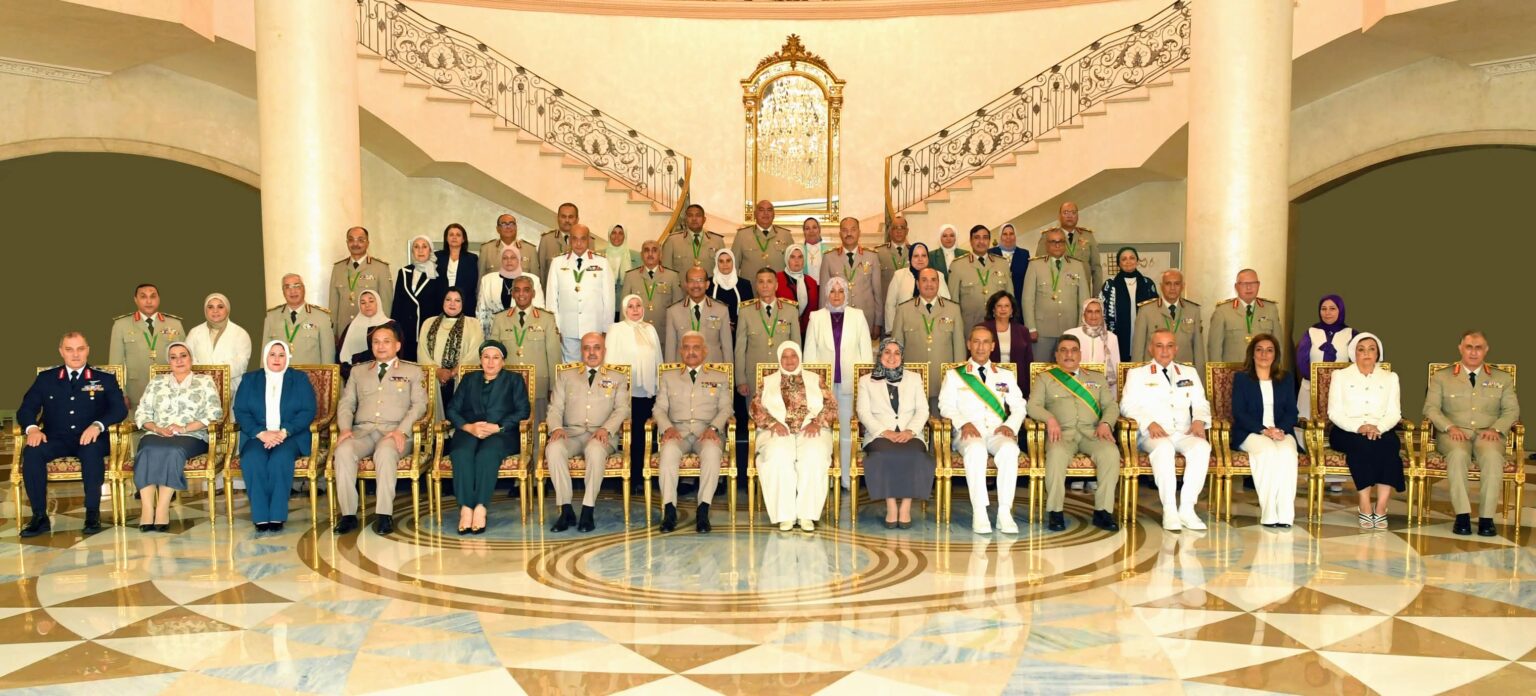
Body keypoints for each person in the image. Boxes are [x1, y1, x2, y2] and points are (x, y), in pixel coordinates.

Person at [16, 332, 127, 537]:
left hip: (91, 438)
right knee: (32, 452)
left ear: (88, 350)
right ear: (61, 351)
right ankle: (39, 516)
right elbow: (26, 408)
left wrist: (98, 425)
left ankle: (92, 514)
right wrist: (32, 428)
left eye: (80, 349)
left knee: (91, 452)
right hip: (55, 438)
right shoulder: (46, 378)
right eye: (69, 349)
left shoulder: (104, 378)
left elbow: (119, 409)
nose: (75, 354)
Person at [332, 323, 428, 536]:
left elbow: (420, 405)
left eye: (386, 341)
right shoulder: (358, 371)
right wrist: (345, 429)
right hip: (363, 432)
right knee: (343, 451)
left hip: (395, 432)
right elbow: (346, 403)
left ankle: (384, 514)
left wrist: (402, 430)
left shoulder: (412, 371)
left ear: (397, 346)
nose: (380, 346)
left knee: (385, 452)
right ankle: (348, 515)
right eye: (376, 342)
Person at [1423, 330, 1520, 537]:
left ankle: (1486, 518)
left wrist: (1496, 428)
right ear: (1460, 348)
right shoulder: (1442, 376)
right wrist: (1449, 427)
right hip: (1453, 433)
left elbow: (1512, 410)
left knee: (1492, 458)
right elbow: (1431, 408)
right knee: (1458, 455)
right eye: (1469, 347)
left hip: (1489, 434)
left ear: (1486, 350)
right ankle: (1462, 516)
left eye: (1478, 348)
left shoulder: (1502, 378)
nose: (1473, 352)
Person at [938, 325, 1028, 535]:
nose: (981, 347)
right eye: (976, 342)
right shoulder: (954, 375)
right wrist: (963, 423)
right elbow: (945, 406)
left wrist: (1009, 425)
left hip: (997, 431)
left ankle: (1004, 512)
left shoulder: (1005, 375)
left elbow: (1019, 407)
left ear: (993, 346)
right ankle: (979, 511)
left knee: (1010, 450)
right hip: (968, 433)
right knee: (976, 450)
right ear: (969, 344)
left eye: (985, 342)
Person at [1120, 328, 1213, 532]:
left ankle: (1187, 509)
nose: (1165, 351)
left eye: (1170, 346)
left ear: (1176, 349)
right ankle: (1170, 510)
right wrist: (1149, 423)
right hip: (1152, 434)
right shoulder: (1137, 374)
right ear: (1150, 349)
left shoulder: (1189, 372)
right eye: (1159, 346)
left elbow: (1201, 403)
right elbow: (1127, 406)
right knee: (1164, 449)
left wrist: (1199, 420)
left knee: (1202, 447)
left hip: (1183, 432)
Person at [1027, 335, 1121, 532]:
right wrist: (1050, 419)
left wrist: (1106, 423)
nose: (1068, 354)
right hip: (1061, 434)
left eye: (1073, 350)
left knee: (1111, 453)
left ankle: (1103, 511)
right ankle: (1055, 512)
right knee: (1056, 455)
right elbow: (1033, 406)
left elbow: (1111, 406)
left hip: (1092, 433)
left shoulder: (1096, 378)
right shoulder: (1045, 378)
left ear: (1080, 354)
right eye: (1063, 350)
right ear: (1056, 355)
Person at [544, 332, 631, 533]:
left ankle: (587, 510)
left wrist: (606, 429)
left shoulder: (617, 376)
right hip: (571, 434)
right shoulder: (566, 375)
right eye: (587, 348)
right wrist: (556, 428)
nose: (592, 352)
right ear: (581, 351)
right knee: (553, 449)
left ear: (604, 351)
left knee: (595, 450)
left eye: (596, 347)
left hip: (601, 436)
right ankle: (566, 510)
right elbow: (554, 408)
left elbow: (622, 409)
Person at [132, 342, 222, 531]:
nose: (179, 360)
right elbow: (142, 413)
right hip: (157, 433)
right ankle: (147, 510)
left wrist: (184, 428)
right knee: (147, 449)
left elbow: (214, 413)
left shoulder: (204, 381)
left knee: (173, 450)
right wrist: (157, 428)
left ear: (191, 358)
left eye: (183, 355)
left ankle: (162, 508)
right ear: (168, 362)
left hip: (192, 435)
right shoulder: (157, 382)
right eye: (173, 357)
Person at [751, 342, 836, 532]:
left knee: (814, 455)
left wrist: (817, 422)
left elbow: (831, 405)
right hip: (777, 430)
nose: (789, 360)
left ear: (799, 357)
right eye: (785, 356)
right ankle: (785, 515)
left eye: (793, 356)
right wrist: (772, 423)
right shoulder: (767, 381)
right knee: (778, 456)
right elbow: (755, 407)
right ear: (779, 359)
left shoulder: (816, 379)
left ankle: (807, 514)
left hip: (811, 427)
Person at [446, 340, 529, 534]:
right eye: (486, 357)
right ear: (480, 360)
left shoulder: (514, 380)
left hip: (501, 433)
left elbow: (523, 410)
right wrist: (468, 427)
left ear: (503, 361)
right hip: (470, 430)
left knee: (487, 454)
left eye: (496, 358)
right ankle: (466, 508)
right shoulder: (469, 379)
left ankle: (480, 507)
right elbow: (452, 409)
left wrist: (498, 427)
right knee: (461, 453)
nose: (491, 362)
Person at [233, 340, 317, 533]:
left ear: (287, 357)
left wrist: (284, 431)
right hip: (257, 435)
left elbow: (308, 410)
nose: (277, 359)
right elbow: (241, 411)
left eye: (281, 355)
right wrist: (261, 433)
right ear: (265, 357)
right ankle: (261, 516)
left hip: (289, 436)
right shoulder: (250, 379)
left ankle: (277, 514)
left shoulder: (299, 379)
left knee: (280, 459)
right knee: (252, 459)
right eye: (272, 354)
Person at [653, 332, 732, 533]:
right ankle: (669, 510)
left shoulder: (719, 376)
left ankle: (703, 510)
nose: (691, 352)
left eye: (696, 347)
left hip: (707, 432)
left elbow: (726, 409)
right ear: (681, 351)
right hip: (677, 432)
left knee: (712, 452)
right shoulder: (669, 377)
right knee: (668, 452)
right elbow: (659, 409)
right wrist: (667, 427)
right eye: (687, 347)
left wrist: (713, 427)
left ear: (705, 351)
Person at [1327, 333, 1403, 530]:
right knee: (1361, 445)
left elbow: (1394, 412)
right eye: (1361, 349)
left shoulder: (1390, 378)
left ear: (1378, 353)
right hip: (1347, 430)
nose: (1366, 353)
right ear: (1354, 353)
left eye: (1371, 349)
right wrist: (1358, 428)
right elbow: (1334, 412)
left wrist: (1379, 428)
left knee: (1390, 445)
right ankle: (1365, 503)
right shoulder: (1340, 376)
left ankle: (1381, 506)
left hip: (1380, 428)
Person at [804, 276, 873, 489]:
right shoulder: (816, 317)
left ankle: (845, 478)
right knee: (823, 431)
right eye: (832, 291)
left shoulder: (858, 316)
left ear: (846, 294)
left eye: (840, 291)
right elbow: (809, 355)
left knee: (846, 433)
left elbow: (866, 354)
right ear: (826, 294)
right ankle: (825, 478)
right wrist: (814, 386)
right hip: (823, 387)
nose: (836, 295)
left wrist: (864, 384)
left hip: (849, 385)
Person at [856, 338, 933, 529]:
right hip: (879, 435)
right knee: (884, 455)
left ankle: (905, 507)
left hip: (910, 433)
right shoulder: (866, 381)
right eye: (887, 352)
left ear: (902, 357)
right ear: (880, 355)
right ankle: (891, 506)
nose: (892, 357)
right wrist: (884, 431)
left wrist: (910, 431)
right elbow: (863, 412)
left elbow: (923, 410)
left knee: (915, 454)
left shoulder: (914, 378)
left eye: (897, 353)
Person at [1230, 334, 1300, 528]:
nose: (1264, 354)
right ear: (1252, 354)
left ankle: (1285, 514)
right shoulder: (1242, 378)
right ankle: (1269, 513)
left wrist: (1279, 430)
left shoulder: (1285, 378)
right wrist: (1264, 430)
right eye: (1259, 350)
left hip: (1280, 431)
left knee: (1287, 453)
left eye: (1269, 350)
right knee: (1268, 451)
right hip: (1251, 432)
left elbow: (1292, 412)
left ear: (1275, 355)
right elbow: (1239, 412)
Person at [487, 277, 562, 436]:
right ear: (512, 293)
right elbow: (492, 354)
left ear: (533, 293)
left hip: (538, 385)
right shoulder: (500, 319)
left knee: (537, 431)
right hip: (507, 386)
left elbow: (554, 356)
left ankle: (536, 453)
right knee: (508, 430)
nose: (521, 294)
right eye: (517, 290)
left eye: (526, 290)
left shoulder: (547, 319)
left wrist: (553, 387)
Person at [607, 294, 662, 479]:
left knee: (642, 433)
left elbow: (658, 360)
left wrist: (658, 385)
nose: (635, 309)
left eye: (638, 305)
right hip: (624, 392)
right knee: (627, 432)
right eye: (630, 306)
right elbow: (609, 362)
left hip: (646, 391)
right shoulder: (616, 329)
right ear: (624, 310)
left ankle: (641, 474)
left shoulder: (650, 329)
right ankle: (626, 476)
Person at [890, 268, 965, 403]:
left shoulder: (953, 309)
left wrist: (959, 380)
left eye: (933, 280)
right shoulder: (904, 310)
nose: (929, 284)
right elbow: (896, 349)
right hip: (913, 382)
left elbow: (959, 348)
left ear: (938, 283)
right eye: (924, 280)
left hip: (943, 382)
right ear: (917, 284)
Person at [545, 224, 614, 362]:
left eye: (583, 239)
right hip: (567, 328)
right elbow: (552, 298)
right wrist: (555, 328)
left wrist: (607, 328)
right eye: (574, 239)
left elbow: (609, 299)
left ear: (588, 240)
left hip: (594, 327)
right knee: (571, 369)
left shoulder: (602, 263)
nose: (578, 243)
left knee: (593, 365)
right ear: (569, 240)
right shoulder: (558, 263)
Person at [109, 283, 186, 406]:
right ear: (135, 299)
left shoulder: (175, 324)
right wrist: (120, 393)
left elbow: (184, 360)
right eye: (143, 296)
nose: (149, 301)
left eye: (153, 296)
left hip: (170, 389)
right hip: (136, 391)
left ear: (159, 299)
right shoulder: (121, 325)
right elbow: (115, 364)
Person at [1022, 228, 1092, 359]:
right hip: (1042, 331)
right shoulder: (1035, 265)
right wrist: (1031, 328)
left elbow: (1084, 300)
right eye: (1053, 242)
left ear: (1065, 244)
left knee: (1068, 366)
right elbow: (1027, 299)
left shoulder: (1077, 266)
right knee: (1041, 368)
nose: (1057, 245)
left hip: (1070, 329)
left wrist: (1081, 328)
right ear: (1046, 245)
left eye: (1060, 241)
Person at [736, 269, 802, 398]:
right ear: (756, 286)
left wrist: (797, 375)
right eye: (761, 282)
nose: (765, 285)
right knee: (755, 410)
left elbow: (796, 346)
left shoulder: (790, 310)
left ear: (776, 285)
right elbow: (740, 349)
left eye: (769, 281)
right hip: (754, 377)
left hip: (783, 374)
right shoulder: (745, 312)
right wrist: (740, 380)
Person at [420, 289, 484, 421]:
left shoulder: (473, 323)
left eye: (457, 300)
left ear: (463, 303)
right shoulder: (428, 323)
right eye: (448, 299)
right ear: (442, 302)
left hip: (461, 379)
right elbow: (422, 352)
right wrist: (437, 371)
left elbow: (475, 351)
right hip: (434, 380)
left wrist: (454, 371)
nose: (452, 304)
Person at [817, 217, 884, 338]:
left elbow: (877, 293)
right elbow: (823, 295)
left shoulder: (872, 256)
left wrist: (878, 322)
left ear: (859, 232)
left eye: (853, 230)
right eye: (844, 230)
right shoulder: (829, 257)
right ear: (840, 234)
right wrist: (823, 322)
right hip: (837, 317)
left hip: (865, 318)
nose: (849, 233)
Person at [1131, 269, 1205, 371]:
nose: (1172, 288)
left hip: (1184, 372)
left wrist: (1199, 377)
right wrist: (1137, 376)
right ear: (1161, 286)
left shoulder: (1193, 310)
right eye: (1168, 284)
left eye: (1177, 284)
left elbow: (1198, 350)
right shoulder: (1146, 311)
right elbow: (1138, 349)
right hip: (1154, 373)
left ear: (1183, 286)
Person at [391, 234, 448, 361]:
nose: (420, 250)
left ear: (430, 250)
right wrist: (394, 331)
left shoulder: (438, 274)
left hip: (428, 330)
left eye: (424, 247)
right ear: (412, 251)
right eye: (416, 247)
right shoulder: (404, 272)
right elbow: (397, 304)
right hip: (406, 332)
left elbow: (442, 304)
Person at [328, 226, 392, 339]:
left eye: (360, 240)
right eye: (351, 240)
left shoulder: (380, 268)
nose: (355, 244)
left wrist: (384, 331)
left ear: (367, 243)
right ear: (347, 242)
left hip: (371, 331)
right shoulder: (338, 268)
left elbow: (386, 304)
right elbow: (333, 304)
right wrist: (333, 332)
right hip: (344, 331)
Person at [1208, 269, 1282, 364]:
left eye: (1253, 283)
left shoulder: (1271, 309)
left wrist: (1277, 369)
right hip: (1233, 370)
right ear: (1236, 286)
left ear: (1258, 285)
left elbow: (1278, 345)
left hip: (1264, 369)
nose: (1249, 287)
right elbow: (1215, 349)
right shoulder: (1222, 311)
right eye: (1244, 284)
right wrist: (1218, 372)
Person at [946, 225, 1010, 330]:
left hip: (999, 325)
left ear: (989, 241)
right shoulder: (957, 265)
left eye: (985, 238)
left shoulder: (1002, 263)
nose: (981, 241)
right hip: (970, 326)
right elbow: (953, 302)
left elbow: (1010, 297)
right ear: (971, 241)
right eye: (977, 238)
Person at [186, 292, 252, 391]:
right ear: (205, 310)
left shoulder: (240, 333)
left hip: (229, 387)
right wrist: (204, 375)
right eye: (210, 307)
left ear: (227, 309)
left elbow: (241, 362)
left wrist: (216, 374)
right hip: (199, 386)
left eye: (220, 307)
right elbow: (187, 357)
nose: (215, 311)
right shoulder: (194, 332)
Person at [664, 266, 732, 363]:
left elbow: (727, 348)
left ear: (707, 284)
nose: (696, 285)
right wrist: (671, 372)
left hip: (711, 369)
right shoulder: (673, 311)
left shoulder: (721, 310)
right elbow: (670, 350)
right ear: (686, 285)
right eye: (691, 281)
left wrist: (728, 371)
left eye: (700, 280)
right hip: (684, 370)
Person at [263, 274, 335, 365]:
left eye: (297, 286)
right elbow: (265, 355)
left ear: (303, 289)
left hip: (309, 374)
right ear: (283, 291)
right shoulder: (271, 317)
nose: (292, 291)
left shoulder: (321, 317)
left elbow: (328, 357)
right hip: (280, 373)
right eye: (287, 287)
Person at [1100, 247, 1158, 360]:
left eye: (1132, 258)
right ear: (1119, 263)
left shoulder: (1148, 284)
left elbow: (1156, 311)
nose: (1128, 261)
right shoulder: (1110, 285)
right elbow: (1102, 313)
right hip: (1116, 337)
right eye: (1124, 259)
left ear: (1137, 261)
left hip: (1144, 333)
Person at [883, 242, 951, 334]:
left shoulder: (938, 275)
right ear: (910, 258)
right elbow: (890, 304)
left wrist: (945, 329)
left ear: (928, 258)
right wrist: (892, 330)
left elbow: (946, 302)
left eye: (924, 255)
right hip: (904, 328)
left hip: (932, 328)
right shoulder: (899, 275)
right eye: (916, 256)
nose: (920, 259)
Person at [618, 240, 681, 334]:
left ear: (660, 255)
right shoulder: (630, 276)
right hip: (637, 331)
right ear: (641, 255)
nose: (650, 254)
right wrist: (624, 332)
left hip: (663, 332)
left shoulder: (672, 276)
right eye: (646, 250)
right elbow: (624, 308)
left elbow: (678, 309)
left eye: (654, 250)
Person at [1063, 298, 1121, 397]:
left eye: (1097, 312)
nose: (1093, 316)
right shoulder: (1070, 335)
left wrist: (1114, 399)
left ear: (1102, 314)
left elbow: (1116, 370)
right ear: (1083, 314)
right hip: (1075, 388)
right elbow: (1063, 367)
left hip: (1102, 389)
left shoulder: (1112, 338)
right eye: (1089, 311)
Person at [1036, 202, 1101, 290]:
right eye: (1065, 212)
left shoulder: (1088, 236)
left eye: (1073, 212)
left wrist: (1097, 294)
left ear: (1077, 216)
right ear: (1059, 216)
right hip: (1057, 291)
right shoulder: (1047, 236)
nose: (1069, 216)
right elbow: (1039, 267)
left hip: (1083, 290)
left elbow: (1096, 268)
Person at [477, 245, 545, 326]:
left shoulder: (533, 279)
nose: (509, 261)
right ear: (501, 260)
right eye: (505, 258)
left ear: (518, 260)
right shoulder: (487, 280)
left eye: (513, 257)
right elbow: (481, 311)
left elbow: (539, 309)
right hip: (494, 329)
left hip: (524, 329)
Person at [983, 291, 1034, 399]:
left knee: (1014, 405)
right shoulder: (983, 329)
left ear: (1012, 310)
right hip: (990, 381)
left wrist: (1030, 389)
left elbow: (1028, 361)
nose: (1003, 309)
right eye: (999, 306)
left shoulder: (1023, 331)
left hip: (1017, 381)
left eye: (1007, 306)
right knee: (1000, 405)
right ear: (993, 309)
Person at [734, 199, 794, 273]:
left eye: (769, 210)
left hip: (778, 280)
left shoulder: (785, 235)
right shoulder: (742, 235)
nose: (766, 213)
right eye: (761, 210)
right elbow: (734, 265)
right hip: (751, 280)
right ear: (755, 214)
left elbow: (793, 263)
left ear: (774, 214)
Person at [662, 203, 725, 272]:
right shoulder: (672, 241)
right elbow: (666, 271)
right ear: (685, 219)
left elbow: (723, 269)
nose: (694, 219)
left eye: (698, 215)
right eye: (690, 215)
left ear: (704, 219)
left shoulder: (717, 241)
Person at [337, 290, 389, 372]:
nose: (367, 305)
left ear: (378, 303)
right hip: (354, 373)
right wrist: (351, 372)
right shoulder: (351, 326)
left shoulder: (390, 326)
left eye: (371, 301)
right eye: (363, 303)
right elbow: (340, 353)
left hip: (383, 373)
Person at [435, 223, 480, 317]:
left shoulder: (472, 259)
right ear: (446, 238)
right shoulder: (437, 257)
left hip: (465, 305)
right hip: (440, 305)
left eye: (458, 235)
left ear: (463, 239)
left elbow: (473, 284)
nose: (454, 237)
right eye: (451, 234)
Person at [707, 248, 754, 331]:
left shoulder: (744, 284)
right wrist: (723, 324)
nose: (725, 264)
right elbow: (705, 310)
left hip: (739, 330)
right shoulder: (708, 284)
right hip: (714, 329)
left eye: (728, 261)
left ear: (733, 262)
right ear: (716, 263)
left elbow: (749, 311)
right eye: (721, 261)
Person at [479, 213, 537, 280]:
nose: (508, 227)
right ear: (498, 229)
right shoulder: (486, 249)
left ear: (516, 227)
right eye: (504, 224)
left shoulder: (530, 250)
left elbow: (535, 280)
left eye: (511, 224)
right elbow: (481, 280)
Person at [778, 244, 820, 335]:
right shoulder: (777, 279)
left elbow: (816, 309)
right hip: (783, 331)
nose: (796, 261)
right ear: (787, 259)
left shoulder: (812, 282)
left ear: (804, 260)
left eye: (800, 257)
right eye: (792, 257)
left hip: (808, 331)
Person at [535, 202, 580, 281]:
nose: (567, 220)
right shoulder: (546, 240)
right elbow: (541, 272)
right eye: (563, 216)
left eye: (570, 217)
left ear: (577, 219)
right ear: (557, 218)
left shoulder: (588, 241)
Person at [990, 223, 1031, 309]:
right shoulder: (991, 253)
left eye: (1011, 234)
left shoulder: (1024, 254)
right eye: (1005, 234)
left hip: (1018, 301)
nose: (1008, 237)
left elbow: (1028, 280)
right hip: (996, 301)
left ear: (1015, 236)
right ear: (1000, 236)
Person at [603, 224, 641, 306]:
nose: (617, 236)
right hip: (604, 302)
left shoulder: (637, 256)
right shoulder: (599, 255)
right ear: (609, 235)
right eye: (613, 233)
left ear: (625, 236)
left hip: (627, 304)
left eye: (620, 233)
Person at [874, 214, 914, 280]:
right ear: (890, 231)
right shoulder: (879, 253)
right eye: (895, 228)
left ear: (907, 231)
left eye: (902, 228)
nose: (899, 231)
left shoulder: (914, 251)